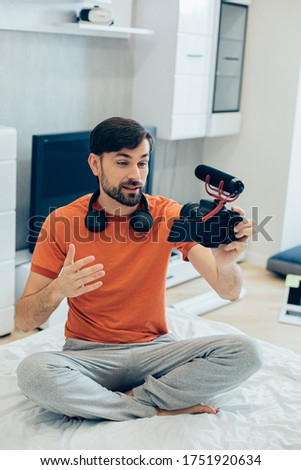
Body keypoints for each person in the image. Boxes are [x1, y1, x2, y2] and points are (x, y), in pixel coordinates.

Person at [16, 117, 262, 421]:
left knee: (246, 352)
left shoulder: (168, 215)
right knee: (34, 372)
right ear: (95, 164)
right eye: (122, 162)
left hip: (156, 352)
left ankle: (121, 403)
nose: (135, 175)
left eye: (142, 163)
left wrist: (226, 263)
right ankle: (153, 407)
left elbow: (230, 291)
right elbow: (24, 320)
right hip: (89, 356)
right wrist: (58, 289)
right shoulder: (60, 224)